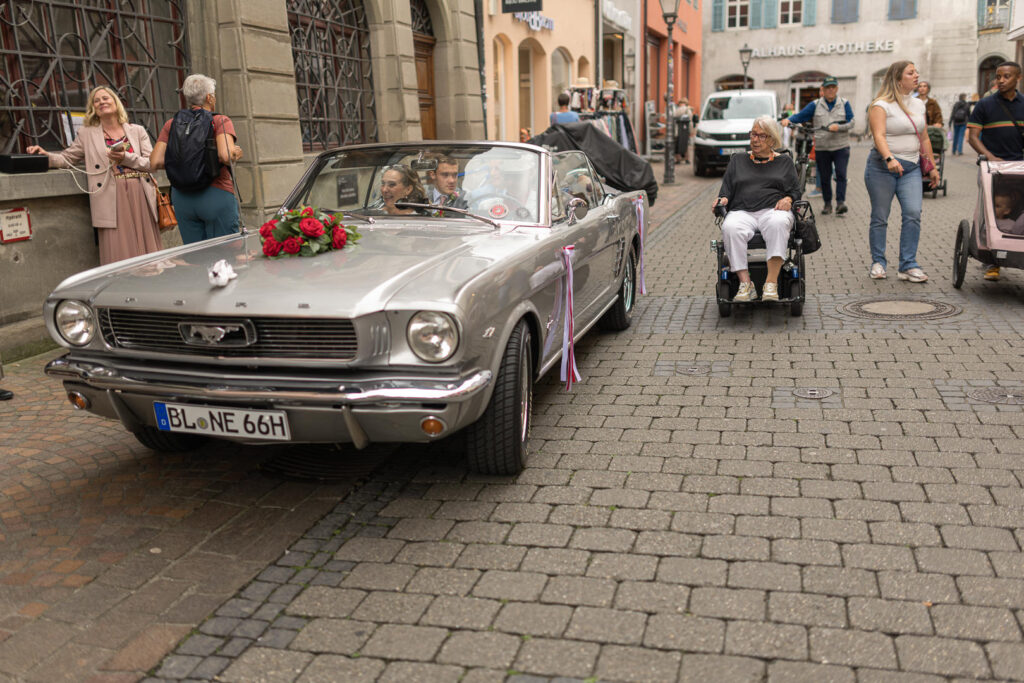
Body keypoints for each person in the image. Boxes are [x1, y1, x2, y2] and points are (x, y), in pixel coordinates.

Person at [26, 85, 162, 265]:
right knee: (118, 250)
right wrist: (46, 156)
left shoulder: (137, 130)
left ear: (115, 102)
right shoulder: (86, 133)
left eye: (106, 98)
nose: (101, 102)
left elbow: (152, 164)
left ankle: (152, 286)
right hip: (110, 199)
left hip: (141, 196)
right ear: (93, 109)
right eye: (96, 101)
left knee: (147, 251)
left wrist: (125, 158)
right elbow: (67, 159)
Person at [864, 60, 940, 283]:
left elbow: (924, 136)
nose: (916, 75)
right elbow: (879, 136)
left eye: (916, 72)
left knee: (913, 214)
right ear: (898, 79)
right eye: (911, 72)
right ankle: (878, 262)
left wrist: (933, 167)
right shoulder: (880, 104)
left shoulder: (918, 105)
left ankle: (907, 265)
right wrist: (889, 158)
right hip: (882, 168)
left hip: (911, 169)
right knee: (880, 217)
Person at [712, 115, 799, 303]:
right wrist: (722, 199)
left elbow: (795, 191)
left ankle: (771, 283)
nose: (755, 139)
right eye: (753, 134)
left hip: (772, 211)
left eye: (761, 136)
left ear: (772, 140)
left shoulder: (784, 162)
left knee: (778, 222)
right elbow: (725, 190)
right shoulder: (738, 161)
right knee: (730, 227)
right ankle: (746, 284)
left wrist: (789, 199)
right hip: (742, 211)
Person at [149, 74, 243, 244]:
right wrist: (236, 152)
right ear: (209, 98)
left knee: (197, 259)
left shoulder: (172, 123)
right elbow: (225, 155)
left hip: (182, 199)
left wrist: (185, 161)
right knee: (226, 256)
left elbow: (155, 161)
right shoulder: (220, 120)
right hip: (215, 193)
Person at [968, 61, 1024, 280]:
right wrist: (990, 157)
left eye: (1006, 76)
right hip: (993, 170)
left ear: (1017, 78)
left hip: (1020, 169)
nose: (1001, 80)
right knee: (995, 213)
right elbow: (973, 136)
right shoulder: (985, 105)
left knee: (1019, 213)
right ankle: (992, 263)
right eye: (998, 76)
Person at [783, 76, 854, 215]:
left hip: (841, 147)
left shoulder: (844, 103)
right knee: (825, 177)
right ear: (823, 89)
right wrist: (788, 120)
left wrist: (838, 127)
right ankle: (827, 204)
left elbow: (852, 122)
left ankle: (840, 203)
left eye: (833, 87)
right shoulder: (815, 105)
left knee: (841, 174)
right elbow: (801, 116)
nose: (830, 90)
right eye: (828, 87)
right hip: (822, 148)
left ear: (837, 89)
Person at [674, 98, 694, 164]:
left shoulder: (677, 110)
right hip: (686, 130)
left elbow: (674, 117)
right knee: (686, 144)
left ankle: (678, 159)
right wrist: (691, 131)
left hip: (678, 130)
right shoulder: (688, 110)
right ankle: (686, 159)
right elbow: (690, 121)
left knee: (677, 144)